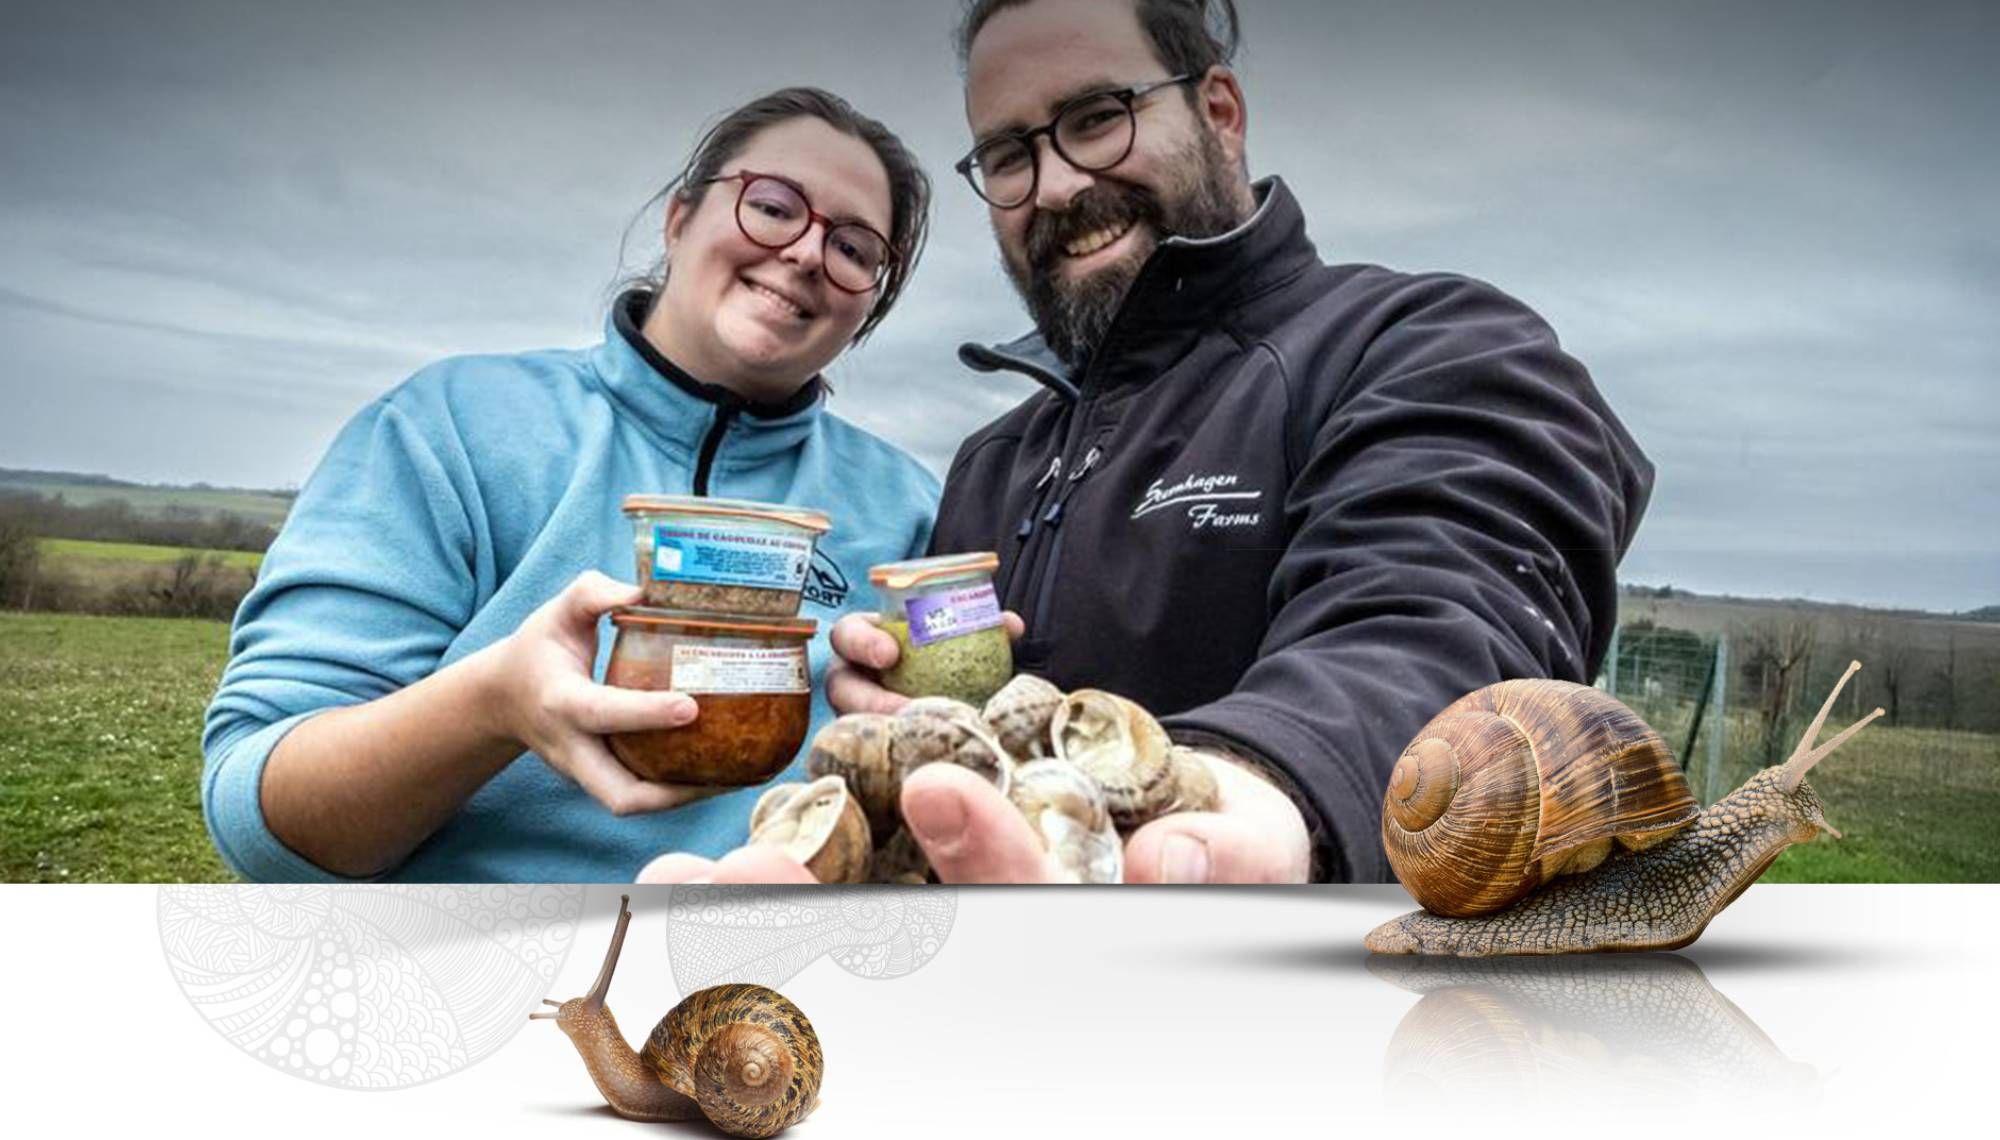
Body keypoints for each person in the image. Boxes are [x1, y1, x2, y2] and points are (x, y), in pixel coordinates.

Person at [649, 0, 1654, 886]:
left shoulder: (1419, 345)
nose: (1050, 184)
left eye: (1094, 118)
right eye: (1007, 154)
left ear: (1217, 112)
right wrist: (913, 716)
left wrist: (1255, 798)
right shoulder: (991, 463)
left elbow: (1441, 615)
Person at [202, 88, 940, 882]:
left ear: (869, 308)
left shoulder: (908, 509)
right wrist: (489, 707)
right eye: (772, 206)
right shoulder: (451, 427)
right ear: (680, 219)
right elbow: (257, 813)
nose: (804, 253)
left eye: (857, 249)